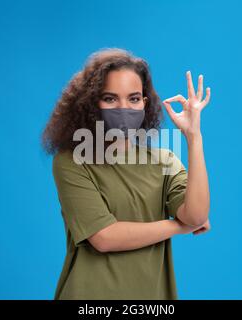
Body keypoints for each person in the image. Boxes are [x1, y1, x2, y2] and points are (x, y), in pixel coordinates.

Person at [42, 48, 212, 300]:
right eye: (110, 99)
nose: (124, 108)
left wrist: (193, 137)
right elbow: (104, 237)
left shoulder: (164, 161)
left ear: (144, 102)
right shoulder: (72, 161)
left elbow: (197, 215)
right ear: (92, 103)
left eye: (133, 99)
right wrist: (178, 226)